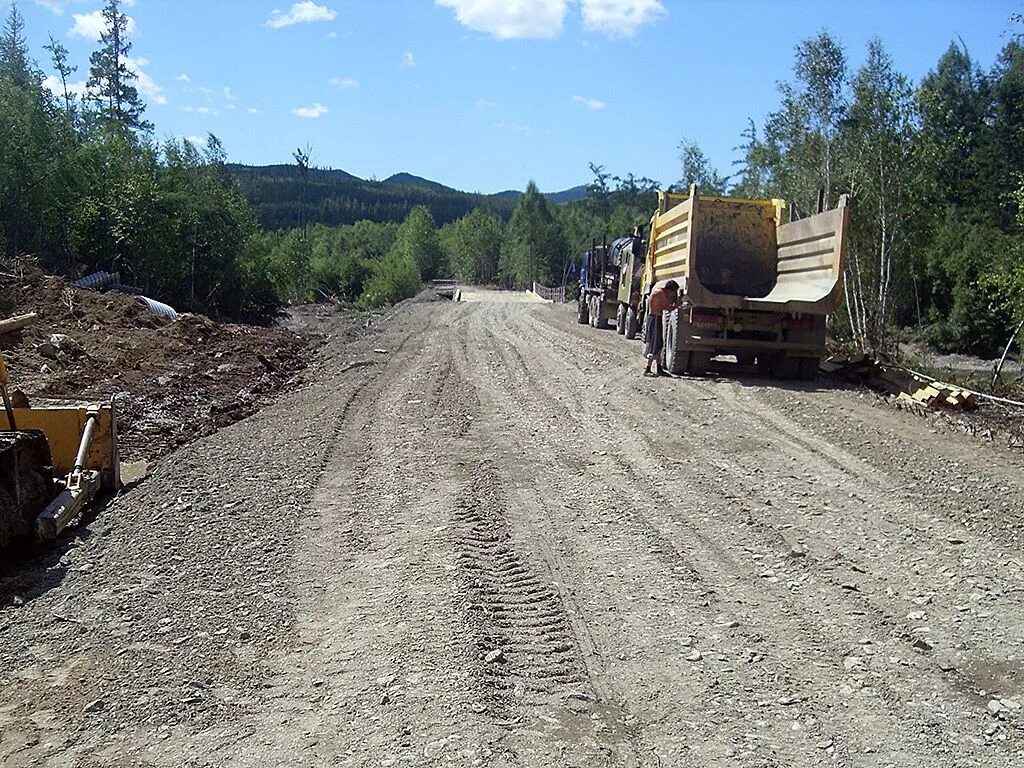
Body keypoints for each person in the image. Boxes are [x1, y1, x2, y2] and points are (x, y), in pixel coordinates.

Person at [643, 280, 679, 377]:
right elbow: (668, 307)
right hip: (655, 319)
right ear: (670, 290)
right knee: (655, 344)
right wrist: (678, 306)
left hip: (655, 318)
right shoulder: (660, 293)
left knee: (658, 343)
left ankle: (659, 368)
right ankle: (648, 368)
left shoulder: (658, 292)